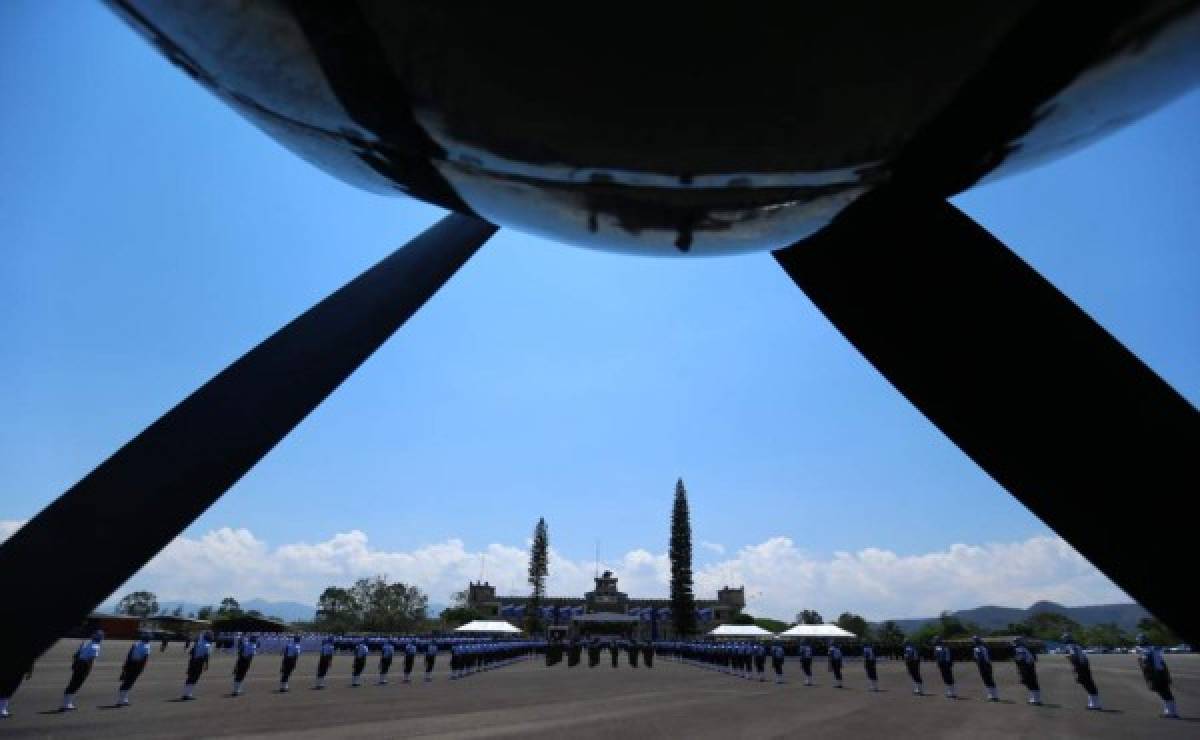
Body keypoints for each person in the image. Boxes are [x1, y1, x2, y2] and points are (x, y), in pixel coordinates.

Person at [1136, 633, 1179, 718]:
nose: (1138, 642)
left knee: (1163, 692)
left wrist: (1150, 677)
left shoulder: (1146, 651)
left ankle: (1171, 712)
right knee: (1166, 692)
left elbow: (1147, 665)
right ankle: (1171, 711)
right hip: (1162, 672)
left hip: (1156, 674)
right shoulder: (1152, 648)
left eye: (1139, 640)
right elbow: (1161, 661)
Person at [62, 630, 104, 710]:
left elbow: (76, 654)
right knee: (77, 684)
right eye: (101, 637)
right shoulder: (96, 646)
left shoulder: (85, 642)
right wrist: (89, 670)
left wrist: (75, 663)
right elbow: (91, 659)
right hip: (84, 665)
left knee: (72, 682)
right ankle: (67, 704)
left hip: (78, 663)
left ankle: (66, 703)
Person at [1062, 633, 1101, 710]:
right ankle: (1093, 704)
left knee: (1086, 683)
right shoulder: (1076, 645)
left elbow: (1074, 656)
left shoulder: (1069, 646)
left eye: (1064, 639)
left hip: (1080, 666)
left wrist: (1068, 658)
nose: (1063, 640)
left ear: (1067, 639)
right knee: (1089, 683)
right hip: (1085, 665)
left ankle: (1095, 705)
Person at [116, 631, 152, 707]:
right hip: (137, 665)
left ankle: (124, 699)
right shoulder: (147, 646)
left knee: (127, 681)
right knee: (129, 682)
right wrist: (141, 669)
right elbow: (145, 659)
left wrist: (125, 665)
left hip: (130, 663)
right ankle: (120, 700)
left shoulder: (136, 643)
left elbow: (129, 654)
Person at [181, 631, 213, 700]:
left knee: (190, 677)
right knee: (195, 677)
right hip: (199, 662)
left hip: (192, 660)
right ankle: (188, 694)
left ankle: (185, 693)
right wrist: (206, 665)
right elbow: (206, 655)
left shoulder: (199, 641)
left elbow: (191, 652)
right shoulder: (208, 644)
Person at [1012, 637, 1041, 705]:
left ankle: (1035, 700)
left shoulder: (1020, 649)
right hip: (1030, 666)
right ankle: (1035, 699)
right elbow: (1034, 658)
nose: (1015, 643)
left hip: (1026, 667)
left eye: (1016, 641)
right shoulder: (1027, 647)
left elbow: (1019, 658)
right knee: (1032, 683)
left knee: (1029, 682)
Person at [972, 636, 999, 701]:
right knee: (985, 679)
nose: (975, 641)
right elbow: (975, 657)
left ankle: (995, 695)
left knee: (989, 679)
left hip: (986, 664)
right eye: (974, 640)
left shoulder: (984, 647)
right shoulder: (975, 648)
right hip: (980, 665)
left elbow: (987, 657)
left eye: (976, 640)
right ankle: (990, 694)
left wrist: (987, 664)